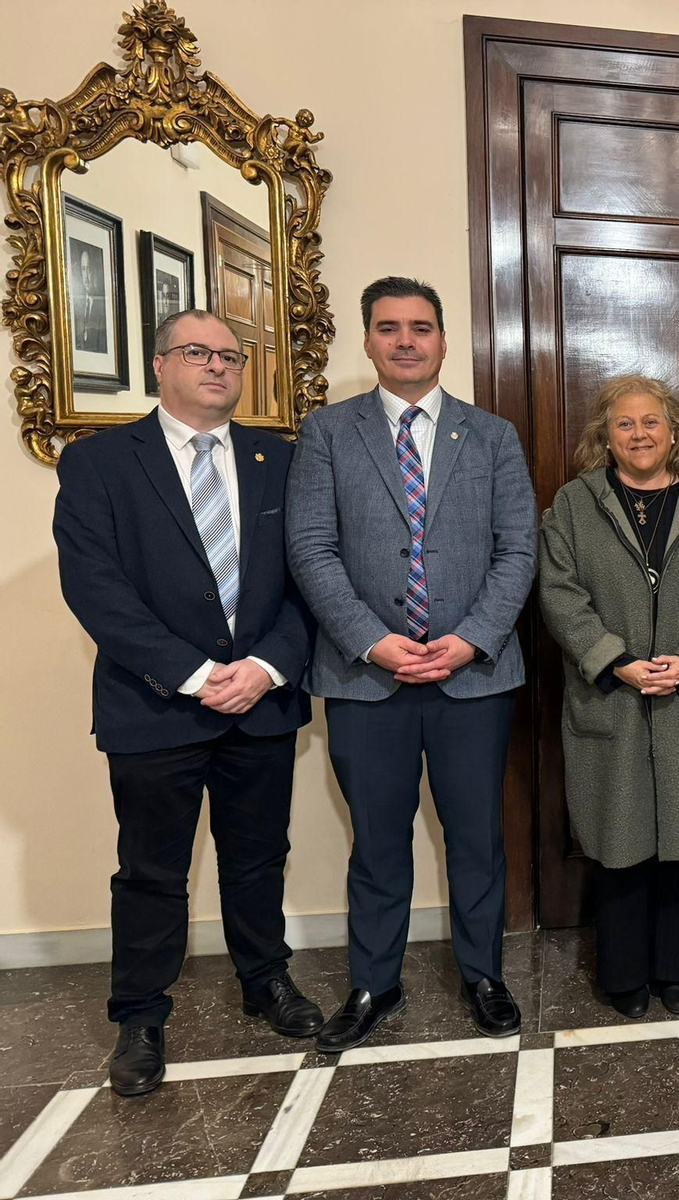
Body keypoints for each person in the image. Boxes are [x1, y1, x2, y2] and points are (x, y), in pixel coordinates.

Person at [54, 309, 319, 1096]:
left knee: (257, 856)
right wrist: (200, 673)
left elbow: (313, 577)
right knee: (151, 870)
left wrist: (266, 666)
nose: (217, 367)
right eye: (198, 353)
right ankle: (140, 1016)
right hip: (155, 706)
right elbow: (95, 589)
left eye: (231, 357)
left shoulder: (282, 458)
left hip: (261, 702)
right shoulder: (100, 462)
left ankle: (265, 980)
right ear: (161, 364)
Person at [287, 277, 536, 1052]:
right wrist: (372, 639)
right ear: (366, 341)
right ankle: (373, 983)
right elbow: (311, 548)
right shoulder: (328, 433)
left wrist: (470, 638)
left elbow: (517, 548)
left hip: (473, 676)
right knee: (379, 838)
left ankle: (483, 975)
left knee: (475, 838)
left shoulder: (491, 436)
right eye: (389, 328)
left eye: (420, 327)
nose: (405, 340)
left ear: (442, 341)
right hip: (367, 679)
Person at [540, 375, 679, 1018]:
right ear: (605, 435)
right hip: (611, 700)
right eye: (625, 424)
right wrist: (615, 661)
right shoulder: (573, 504)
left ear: (674, 432)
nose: (640, 434)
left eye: (652, 422)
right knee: (618, 840)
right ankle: (622, 973)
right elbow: (561, 596)